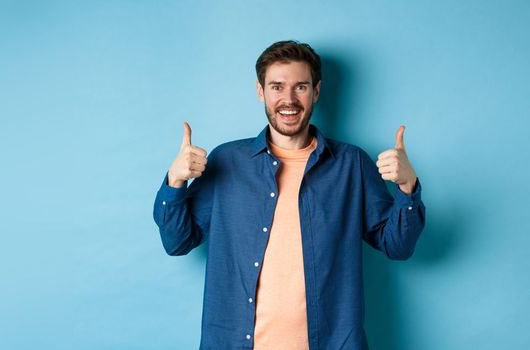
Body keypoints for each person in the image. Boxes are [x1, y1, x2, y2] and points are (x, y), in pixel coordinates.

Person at [152, 40, 426, 350]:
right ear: (261, 91)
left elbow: (398, 247)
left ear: (317, 92)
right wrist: (175, 181)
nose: (288, 99)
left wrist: (407, 187)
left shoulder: (352, 165)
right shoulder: (227, 161)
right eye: (277, 87)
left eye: (300, 87)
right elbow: (176, 242)